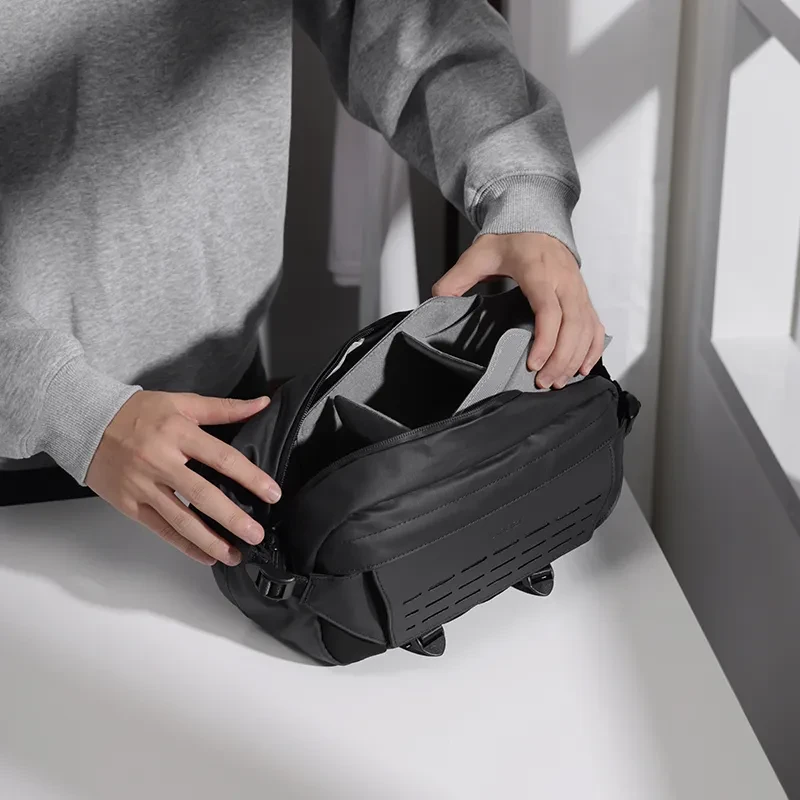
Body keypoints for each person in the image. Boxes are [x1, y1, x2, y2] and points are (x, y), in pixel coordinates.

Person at [0, 1, 604, 567]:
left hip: (227, 405)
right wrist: (68, 410)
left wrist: (523, 192)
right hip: (24, 439)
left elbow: (412, 19)